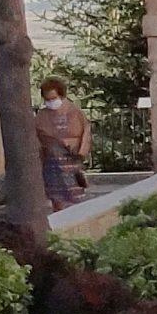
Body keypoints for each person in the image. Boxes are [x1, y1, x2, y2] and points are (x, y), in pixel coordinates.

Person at [34, 76, 93, 212]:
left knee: (75, 197)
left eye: (53, 98)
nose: (50, 102)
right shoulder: (41, 116)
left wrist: (81, 152)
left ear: (61, 95)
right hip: (51, 162)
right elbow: (37, 137)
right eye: (47, 99)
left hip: (71, 160)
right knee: (56, 198)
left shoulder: (75, 112)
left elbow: (86, 132)